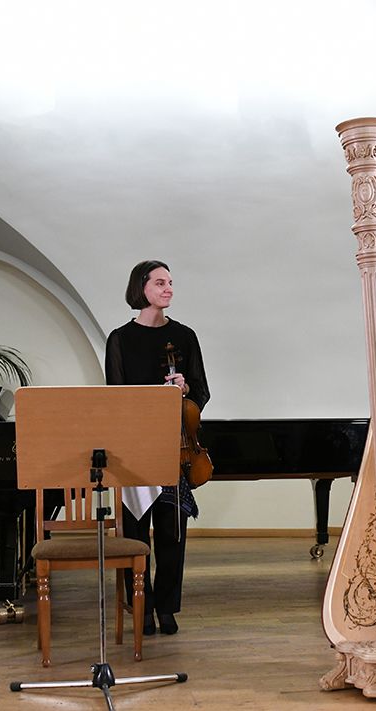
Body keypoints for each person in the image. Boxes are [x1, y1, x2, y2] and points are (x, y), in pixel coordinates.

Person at [105, 260, 209, 636]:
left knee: (171, 533)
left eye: (170, 283)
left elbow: (202, 391)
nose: (168, 289)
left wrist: (185, 388)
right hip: (135, 448)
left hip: (175, 448)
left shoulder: (185, 336)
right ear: (142, 288)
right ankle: (141, 607)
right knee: (135, 534)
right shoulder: (120, 339)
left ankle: (166, 608)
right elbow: (115, 396)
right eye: (160, 283)